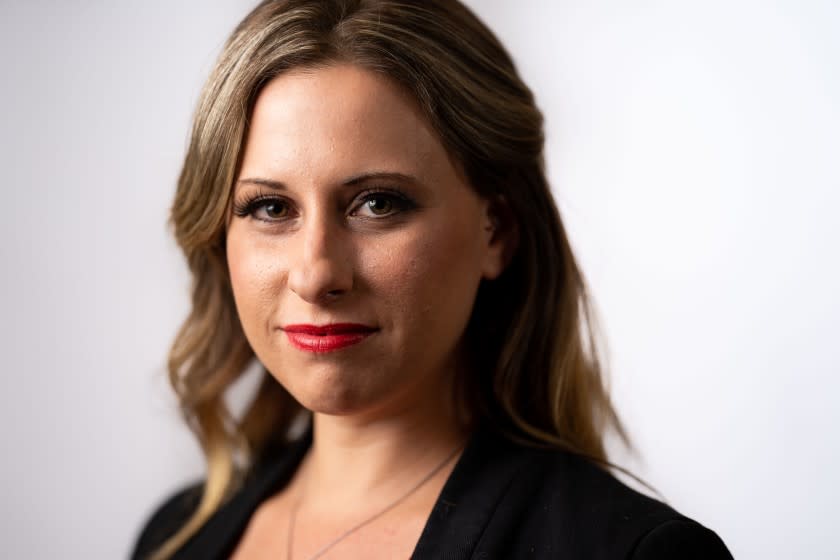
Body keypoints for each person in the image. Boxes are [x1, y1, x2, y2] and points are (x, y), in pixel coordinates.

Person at [132, 1, 733, 558]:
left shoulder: (634, 554)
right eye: (269, 208)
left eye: (378, 204)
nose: (316, 274)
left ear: (495, 230)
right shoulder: (173, 538)